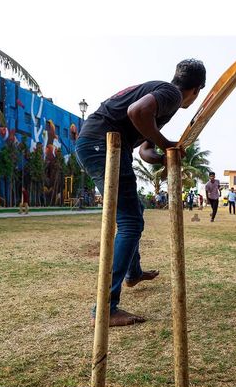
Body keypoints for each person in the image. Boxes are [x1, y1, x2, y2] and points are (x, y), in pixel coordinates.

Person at [76, 58, 206, 327]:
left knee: (135, 212)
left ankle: (133, 274)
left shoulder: (162, 100)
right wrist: (166, 142)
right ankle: (106, 309)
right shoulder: (170, 94)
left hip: (99, 143)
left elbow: (145, 149)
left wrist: (164, 156)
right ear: (197, 89)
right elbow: (137, 112)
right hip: (103, 144)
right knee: (130, 222)